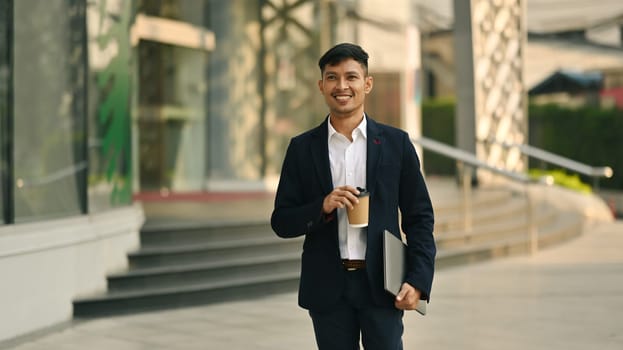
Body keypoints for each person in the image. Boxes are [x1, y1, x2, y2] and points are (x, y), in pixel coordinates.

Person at [270, 42, 436, 349]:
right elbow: (281, 220)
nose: (341, 85)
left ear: (367, 83)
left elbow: (420, 217)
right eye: (332, 77)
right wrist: (321, 206)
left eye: (351, 77)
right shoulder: (302, 148)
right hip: (327, 286)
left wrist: (418, 279)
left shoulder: (396, 144)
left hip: (383, 283)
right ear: (321, 86)